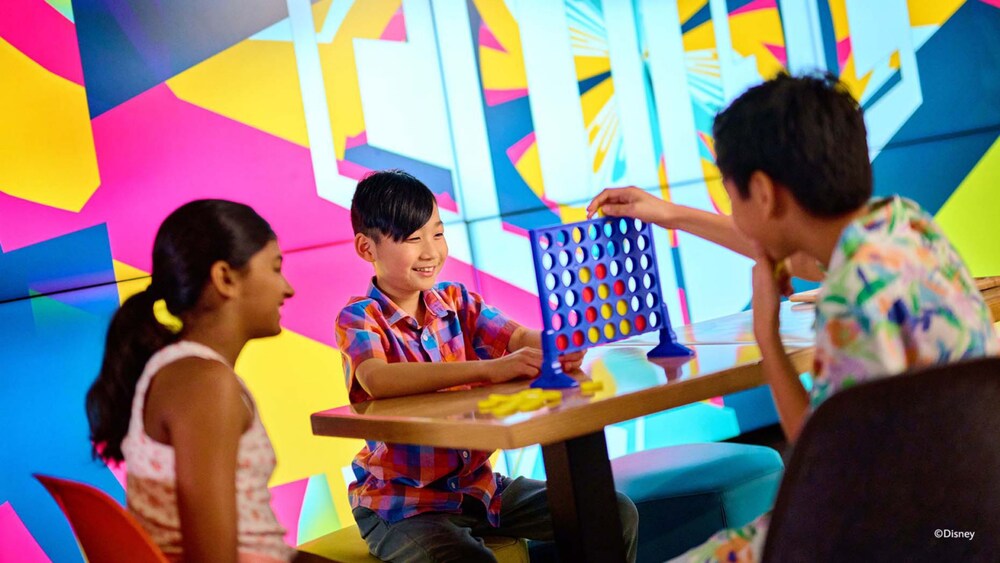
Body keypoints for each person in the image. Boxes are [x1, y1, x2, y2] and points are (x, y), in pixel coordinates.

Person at [589, 72, 999, 561]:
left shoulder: (853, 301)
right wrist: (669, 214)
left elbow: (821, 476)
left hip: (880, 537)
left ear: (762, 193)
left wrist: (768, 339)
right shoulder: (902, 224)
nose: (733, 208)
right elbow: (801, 255)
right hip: (965, 524)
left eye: (730, 193)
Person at [335, 170, 639, 562]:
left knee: (612, 513)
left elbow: (515, 336)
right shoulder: (360, 317)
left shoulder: (456, 301)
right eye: (413, 239)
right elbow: (377, 379)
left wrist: (559, 344)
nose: (431, 251)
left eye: (438, 233)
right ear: (366, 248)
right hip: (403, 506)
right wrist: (489, 370)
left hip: (480, 490)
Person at [86, 200, 324, 563]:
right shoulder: (206, 384)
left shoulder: (187, 372)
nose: (288, 288)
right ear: (225, 278)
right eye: (275, 269)